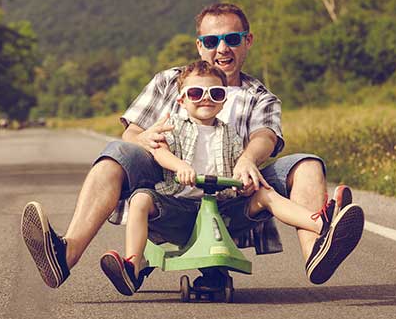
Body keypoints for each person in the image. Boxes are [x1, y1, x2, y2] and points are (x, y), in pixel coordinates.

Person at [20, 2, 364, 289]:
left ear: (248, 41)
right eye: (212, 40)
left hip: (234, 202)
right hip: (170, 198)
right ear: (200, 45)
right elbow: (132, 133)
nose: (222, 48)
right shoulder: (171, 82)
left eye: (232, 38)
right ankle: (65, 255)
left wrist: (247, 159)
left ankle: (319, 247)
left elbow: (265, 137)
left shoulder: (260, 97)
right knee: (117, 152)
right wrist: (146, 141)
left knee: (307, 163)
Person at [97, 59, 364, 295]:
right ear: (181, 99)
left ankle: (322, 226)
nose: (206, 98)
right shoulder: (174, 126)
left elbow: (239, 164)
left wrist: (245, 179)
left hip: (223, 208)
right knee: (141, 199)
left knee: (264, 193)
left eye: (215, 93)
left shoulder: (230, 134)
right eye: (195, 92)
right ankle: (132, 264)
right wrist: (179, 166)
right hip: (178, 206)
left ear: (224, 99)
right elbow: (159, 150)